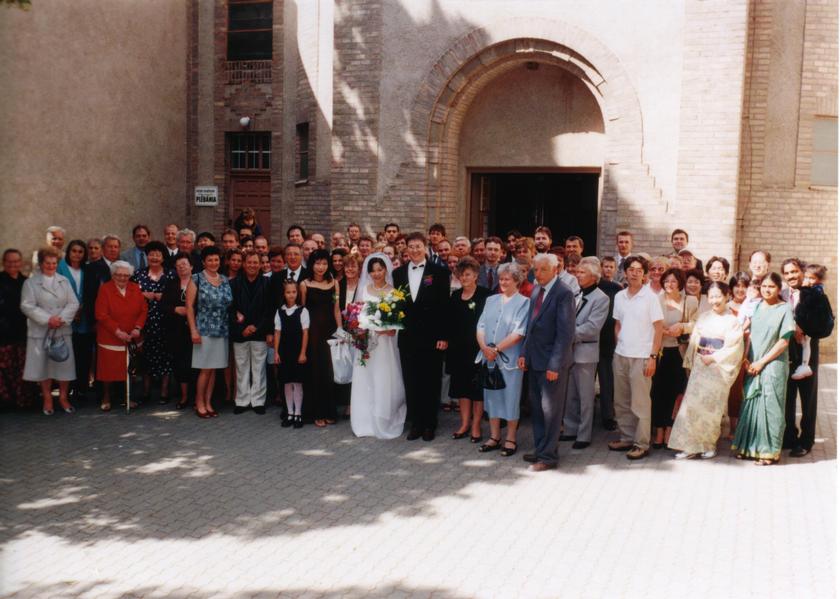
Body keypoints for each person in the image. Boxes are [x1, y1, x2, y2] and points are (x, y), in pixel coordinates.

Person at [667, 282, 744, 459]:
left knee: (711, 409)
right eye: (711, 296)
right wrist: (693, 359)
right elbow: (695, 340)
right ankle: (689, 446)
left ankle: (708, 445)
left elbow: (734, 347)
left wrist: (714, 357)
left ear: (727, 296)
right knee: (691, 407)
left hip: (718, 368)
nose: (715, 300)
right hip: (701, 365)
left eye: (718, 296)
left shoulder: (732, 321)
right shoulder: (703, 317)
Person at [518, 253, 575, 471]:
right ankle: (541, 448)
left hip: (552, 363)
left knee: (551, 411)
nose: (538, 273)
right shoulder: (536, 290)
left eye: (543, 269)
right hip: (535, 359)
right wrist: (524, 353)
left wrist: (555, 365)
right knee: (537, 409)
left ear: (555, 270)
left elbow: (565, 334)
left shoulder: (564, 293)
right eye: (536, 269)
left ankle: (548, 457)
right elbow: (530, 326)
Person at [731, 273, 794, 465]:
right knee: (751, 403)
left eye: (771, 286)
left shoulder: (785, 309)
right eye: (764, 286)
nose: (767, 290)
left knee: (770, 406)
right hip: (753, 362)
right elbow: (748, 334)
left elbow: (784, 341)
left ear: (779, 289)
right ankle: (749, 447)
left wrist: (762, 362)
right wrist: (746, 359)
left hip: (773, 364)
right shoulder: (757, 306)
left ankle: (769, 452)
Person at [393, 232, 450, 441]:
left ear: (425, 247)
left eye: (418, 246)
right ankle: (415, 423)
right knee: (411, 380)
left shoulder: (439, 272)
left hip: (432, 337)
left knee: (431, 381)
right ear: (406, 249)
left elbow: (444, 306)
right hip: (408, 337)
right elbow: (397, 304)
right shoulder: (398, 273)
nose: (415, 250)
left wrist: (443, 335)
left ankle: (429, 424)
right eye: (411, 247)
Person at [607, 255, 664, 460]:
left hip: (642, 357)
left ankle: (641, 443)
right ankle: (627, 438)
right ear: (625, 272)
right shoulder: (620, 296)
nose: (635, 273)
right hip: (621, 355)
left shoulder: (651, 297)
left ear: (644, 274)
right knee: (621, 401)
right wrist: (619, 346)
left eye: (639, 270)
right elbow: (618, 324)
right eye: (631, 269)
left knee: (640, 403)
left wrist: (652, 357)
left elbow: (659, 329)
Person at [349, 254, 407, 439]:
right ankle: (364, 421)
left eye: (380, 270)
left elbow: (394, 326)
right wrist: (360, 330)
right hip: (366, 343)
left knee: (383, 379)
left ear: (386, 270)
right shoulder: (364, 290)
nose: (376, 274)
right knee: (365, 379)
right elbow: (355, 316)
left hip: (384, 345)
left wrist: (385, 329)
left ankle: (383, 419)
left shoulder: (393, 292)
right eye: (373, 271)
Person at [476, 262, 528, 455]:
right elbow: (480, 326)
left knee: (510, 398)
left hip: (510, 360)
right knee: (492, 398)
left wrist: (496, 349)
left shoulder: (524, 302)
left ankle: (511, 439)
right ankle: (494, 436)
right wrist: (484, 347)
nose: (503, 282)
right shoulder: (491, 300)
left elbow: (519, 332)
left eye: (507, 279)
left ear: (517, 281)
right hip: (488, 358)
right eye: (501, 279)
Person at [21, 247, 79, 414]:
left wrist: (60, 319)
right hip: (41, 330)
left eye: (54, 263)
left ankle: (63, 397)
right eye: (48, 263)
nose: (51, 266)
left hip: (61, 328)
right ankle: (47, 398)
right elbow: (27, 306)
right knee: (44, 366)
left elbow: (73, 303)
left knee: (64, 366)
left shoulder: (64, 281)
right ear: (40, 264)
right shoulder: (30, 283)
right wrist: (48, 319)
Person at [560, 257, 609, 450]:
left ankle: (584, 434)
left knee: (586, 396)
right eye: (577, 272)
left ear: (594, 277)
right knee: (569, 393)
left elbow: (593, 327)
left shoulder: (601, 298)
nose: (577, 275)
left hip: (585, 352)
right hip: (570, 352)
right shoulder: (576, 293)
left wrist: (567, 335)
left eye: (582, 273)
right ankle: (570, 428)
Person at [782, 261, 828, 457]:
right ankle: (789, 436)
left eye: (794, 271)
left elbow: (824, 322)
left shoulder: (814, 293)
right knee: (788, 397)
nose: (791, 276)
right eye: (787, 273)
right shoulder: (782, 294)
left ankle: (806, 441)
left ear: (801, 272)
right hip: (786, 350)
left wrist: (804, 327)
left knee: (808, 397)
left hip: (807, 351)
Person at [650, 268, 698, 448]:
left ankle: (670, 429)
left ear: (680, 283)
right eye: (666, 281)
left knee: (676, 392)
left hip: (679, 352)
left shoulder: (690, 301)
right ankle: (659, 430)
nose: (669, 284)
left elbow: (696, 323)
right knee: (657, 392)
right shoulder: (656, 300)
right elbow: (649, 323)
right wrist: (661, 330)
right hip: (660, 351)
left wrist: (682, 327)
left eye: (673, 281)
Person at [446, 257, 490, 442]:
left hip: (478, 349)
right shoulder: (455, 296)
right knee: (462, 389)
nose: (464, 278)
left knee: (477, 390)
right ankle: (464, 423)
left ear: (476, 275)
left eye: (468, 274)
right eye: (461, 275)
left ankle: (476, 425)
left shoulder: (485, 295)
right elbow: (449, 323)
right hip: (458, 350)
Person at [94, 260, 147, 412]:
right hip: (111, 337)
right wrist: (117, 331)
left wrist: (138, 328)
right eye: (119, 275)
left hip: (132, 336)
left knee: (129, 369)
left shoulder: (135, 287)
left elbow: (143, 309)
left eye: (126, 275)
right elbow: (101, 314)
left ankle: (127, 396)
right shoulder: (105, 289)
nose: (122, 278)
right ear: (113, 275)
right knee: (108, 370)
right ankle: (106, 397)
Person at [186, 246, 233, 419]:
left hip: (221, 330)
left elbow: (229, 304)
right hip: (203, 330)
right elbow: (189, 307)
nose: (214, 263)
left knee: (213, 369)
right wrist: (193, 330)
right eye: (210, 260)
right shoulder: (196, 278)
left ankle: (208, 402)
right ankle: (199, 403)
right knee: (205, 369)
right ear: (204, 262)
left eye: (216, 260)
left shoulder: (224, 279)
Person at [300, 249, 343, 427]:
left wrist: (340, 330)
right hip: (312, 334)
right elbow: (302, 311)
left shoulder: (334, 283)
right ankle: (316, 413)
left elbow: (336, 309)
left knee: (328, 372)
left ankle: (329, 411)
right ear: (312, 264)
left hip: (330, 333)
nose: (321, 267)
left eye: (324, 263)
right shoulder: (304, 284)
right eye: (317, 263)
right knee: (315, 372)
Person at [130, 241, 175, 404]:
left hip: (166, 321)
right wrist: (142, 294)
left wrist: (163, 296)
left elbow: (178, 296)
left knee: (166, 356)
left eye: (158, 254)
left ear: (163, 257)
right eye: (151, 254)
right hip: (145, 322)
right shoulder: (138, 274)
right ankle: (146, 390)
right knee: (146, 356)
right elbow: (130, 294)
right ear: (147, 256)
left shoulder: (171, 274)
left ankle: (164, 391)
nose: (154, 257)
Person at [229, 251, 273, 415]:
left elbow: (270, 309)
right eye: (249, 262)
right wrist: (242, 329)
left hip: (259, 331)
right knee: (241, 367)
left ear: (260, 265)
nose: (252, 265)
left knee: (259, 368)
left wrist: (257, 327)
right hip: (240, 332)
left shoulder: (267, 283)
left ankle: (258, 401)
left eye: (255, 262)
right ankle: (242, 401)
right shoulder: (234, 283)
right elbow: (230, 308)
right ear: (244, 264)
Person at [57, 241, 91, 399]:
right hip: (65, 316)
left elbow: (89, 290)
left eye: (80, 251)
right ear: (68, 252)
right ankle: (67, 387)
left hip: (84, 317)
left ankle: (81, 387)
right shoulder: (61, 267)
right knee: (68, 354)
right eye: (74, 251)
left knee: (83, 353)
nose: (77, 254)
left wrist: (81, 308)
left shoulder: (87, 268)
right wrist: (72, 311)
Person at [161, 252, 194, 409]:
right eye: (178, 265)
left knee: (195, 363)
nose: (181, 267)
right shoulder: (171, 284)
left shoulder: (199, 282)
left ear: (191, 266)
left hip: (195, 329)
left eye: (184, 264)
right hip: (176, 331)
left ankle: (197, 396)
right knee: (181, 364)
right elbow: (163, 305)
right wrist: (175, 309)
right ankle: (184, 397)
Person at [274, 280, 309, 428]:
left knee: (297, 382)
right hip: (284, 352)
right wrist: (276, 352)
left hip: (297, 351)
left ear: (297, 293)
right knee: (287, 383)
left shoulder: (302, 311)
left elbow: (305, 333)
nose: (291, 295)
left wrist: (303, 353)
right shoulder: (279, 312)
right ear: (284, 293)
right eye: (288, 292)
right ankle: (289, 413)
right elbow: (277, 333)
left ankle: (298, 414)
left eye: (294, 292)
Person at [0, 249, 30, 407]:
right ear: (4, 262)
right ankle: (5, 401)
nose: (13, 264)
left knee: (21, 368)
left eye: (16, 261)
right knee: (5, 368)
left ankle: (21, 400)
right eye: (9, 261)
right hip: (3, 333)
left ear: (21, 263)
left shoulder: (26, 282)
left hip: (22, 332)